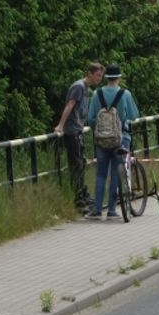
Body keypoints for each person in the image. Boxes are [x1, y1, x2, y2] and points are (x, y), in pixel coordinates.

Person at [85, 64, 140, 220]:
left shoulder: (97, 94)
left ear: (106, 77)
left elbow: (90, 118)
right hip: (121, 138)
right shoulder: (125, 94)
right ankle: (111, 210)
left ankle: (96, 210)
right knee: (116, 173)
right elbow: (134, 115)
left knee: (101, 173)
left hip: (101, 140)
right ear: (119, 77)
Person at [54, 62, 104, 213]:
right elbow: (69, 105)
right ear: (89, 73)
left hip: (79, 130)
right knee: (76, 165)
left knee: (81, 163)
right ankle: (79, 199)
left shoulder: (87, 89)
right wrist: (61, 125)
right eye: (97, 75)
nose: (99, 79)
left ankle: (83, 193)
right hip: (72, 131)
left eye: (101, 76)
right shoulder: (79, 87)